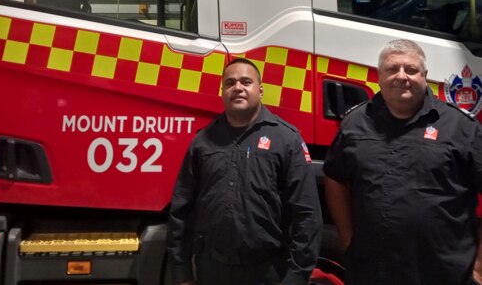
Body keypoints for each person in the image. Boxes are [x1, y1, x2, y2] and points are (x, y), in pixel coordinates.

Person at [323, 39, 482, 285]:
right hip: (373, 272)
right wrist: (346, 239)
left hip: (445, 273)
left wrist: (480, 266)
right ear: (378, 76)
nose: (401, 76)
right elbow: (335, 177)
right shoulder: (355, 123)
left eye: (411, 69)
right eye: (392, 69)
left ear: (425, 75)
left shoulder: (460, 127)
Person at [168, 57, 322, 285]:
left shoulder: (286, 139)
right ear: (222, 91)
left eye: (245, 81)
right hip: (213, 270)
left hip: (268, 271)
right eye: (230, 83)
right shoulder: (203, 141)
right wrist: (181, 272)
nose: (237, 88)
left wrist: (297, 276)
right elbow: (181, 209)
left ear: (260, 90)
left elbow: (307, 214)